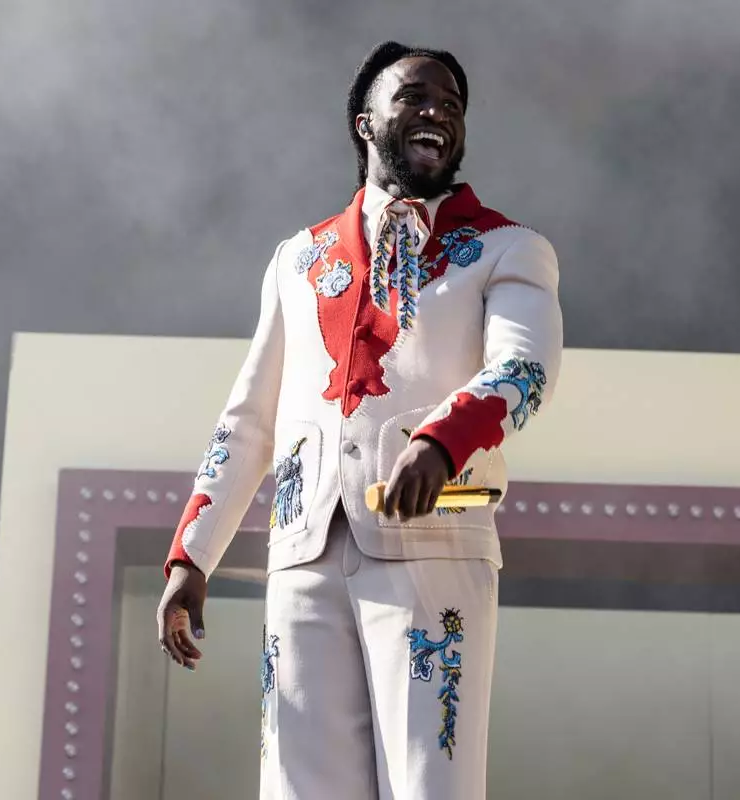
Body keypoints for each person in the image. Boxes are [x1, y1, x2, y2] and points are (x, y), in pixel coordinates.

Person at [156, 40, 563, 799]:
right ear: (364, 123)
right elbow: (250, 417)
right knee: (297, 785)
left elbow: (525, 368)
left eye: (451, 103)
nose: (437, 111)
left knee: (427, 782)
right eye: (414, 96)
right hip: (303, 553)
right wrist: (192, 558)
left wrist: (442, 443)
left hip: (433, 538)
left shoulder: (509, 250)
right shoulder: (298, 259)